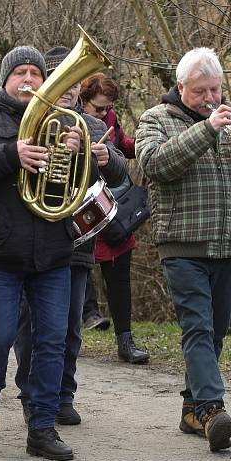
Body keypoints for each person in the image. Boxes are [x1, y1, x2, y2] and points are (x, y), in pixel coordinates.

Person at [136, 47, 231, 451]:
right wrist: (206, 130)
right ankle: (213, 410)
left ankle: (191, 409)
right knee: (197, 327)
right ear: (181, 87)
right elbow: (155, 165)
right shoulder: (156, 119)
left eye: (215, 90)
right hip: (182, 244)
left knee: (215, 331)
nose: (210, 99)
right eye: (201, 91)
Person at [0, 46, 86, 461]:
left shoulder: (65, 122)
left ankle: (42, 427)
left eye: (35, 72)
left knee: (52, 340)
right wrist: (12, 153)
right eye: (20, 73)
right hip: (2, 251)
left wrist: (79, 154)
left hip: (53, 250)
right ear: (5, 79)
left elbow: (87, 183)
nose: (28, 79)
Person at [12, 46, 127, 426]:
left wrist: (109, 160)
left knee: (70, 327)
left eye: (74, 83)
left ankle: (64, 393)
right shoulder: (30, 121)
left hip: (77, 240)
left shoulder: (92, 125)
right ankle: (31, 391)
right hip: (35, 238)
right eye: (60, 80)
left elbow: (120, 171)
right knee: (33, 324)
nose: (68, 90)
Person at [79, 72, 149, 364]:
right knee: (77, 273)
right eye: (99, 108)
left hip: (113, 207)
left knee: (120, 274)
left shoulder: (111, 118)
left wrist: (146, 145)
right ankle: (74, 330)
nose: (105, 113)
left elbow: (121, 144)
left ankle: (125, 340)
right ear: (83, 102)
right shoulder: (69, 122)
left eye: (108, 107)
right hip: (83, 209)